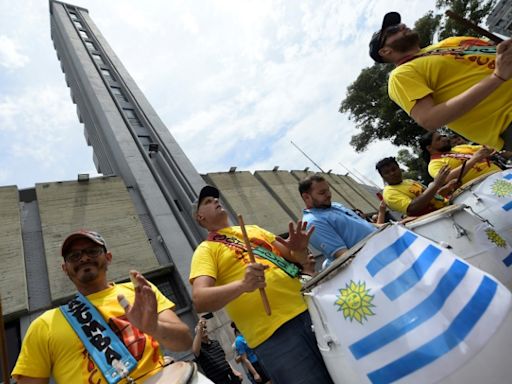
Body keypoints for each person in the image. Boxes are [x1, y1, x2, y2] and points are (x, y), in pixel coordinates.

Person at [190, 185, 334, 384]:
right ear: (200, 218)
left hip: (311, 312)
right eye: (207, 202)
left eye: (215, 198)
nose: (215, 201)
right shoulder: (206, 250)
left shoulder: (253, 229)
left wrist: (300, 250)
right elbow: (200, 300)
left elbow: (294, 257)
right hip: (274, 336)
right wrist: (243, 285)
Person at [12, 229, 192, 384]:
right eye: (74, 256)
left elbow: (185, 342)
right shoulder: (44, 325)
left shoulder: (140, 292)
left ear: (108, 257)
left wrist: (154, 327)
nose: (83, 258)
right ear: (65, 268)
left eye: (92, 251)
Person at [369, 11, 512, 151]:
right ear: (385, 51)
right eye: (393, 30)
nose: (401, 26)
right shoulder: (401, 74)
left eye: (399, 24)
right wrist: (497, 77)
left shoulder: (448, 42)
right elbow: (430, 119)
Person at [299, 174, 377, 268]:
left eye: (328, 190)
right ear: (306, 197)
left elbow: (363, 225)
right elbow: (344, 256)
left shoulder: (334, 205)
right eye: (322, 192)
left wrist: (388, 225)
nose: (328, 195)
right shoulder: (313, 222)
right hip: (373, 261)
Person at [375, 157, 456, 217]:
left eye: (394, 169)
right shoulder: (389, 193)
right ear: (382, 176)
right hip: (438, 218)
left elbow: (432, 196)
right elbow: (412, 208)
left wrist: (447, 188)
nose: (392, 173)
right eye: (387, 172)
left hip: (448, 207)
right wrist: (436, 184)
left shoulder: (409, 181)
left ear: (399, 168)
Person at [419, 131, 502, 184]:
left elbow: (487, 148)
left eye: (443, 136)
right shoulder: (434, 164)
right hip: (483, 186)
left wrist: (489, 149)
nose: (444, 139)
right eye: (438, 139)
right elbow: (445, 179)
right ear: (429, 148)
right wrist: (473, 160)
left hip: (500, 174)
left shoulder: (459, 148)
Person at [193, 317, 243, 384]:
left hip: (231, 377)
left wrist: (234, 371)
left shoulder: (215, 343)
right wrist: (199, 327)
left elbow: (224, 360)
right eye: (201, 329)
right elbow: (195, 350)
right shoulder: (200, 350)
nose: (204, 329)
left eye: (204, 328)